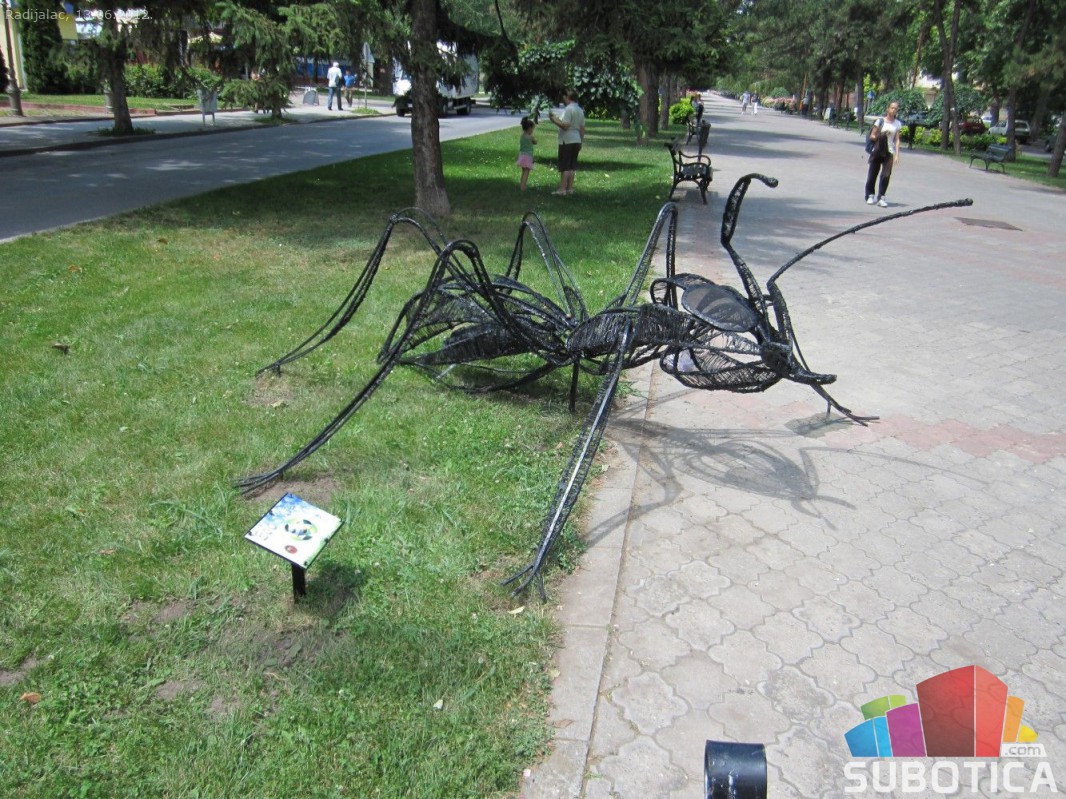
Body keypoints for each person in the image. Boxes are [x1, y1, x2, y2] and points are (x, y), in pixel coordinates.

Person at [864, 101, 903, 207]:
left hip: (889, 151)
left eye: (896, 108)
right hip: (877, 150)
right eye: (892, 108)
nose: (894, 110)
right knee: (873, 174)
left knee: (886, 175)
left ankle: (881, 197)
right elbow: (872, 136)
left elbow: (897, 140)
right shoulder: (880, 121)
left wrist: (897, 154)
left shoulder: (897, 123)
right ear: (888, 109)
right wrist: (881, 135)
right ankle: (870, 195)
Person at [548, 91, 585, 196]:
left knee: (565, 166)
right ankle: (570, 188)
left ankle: (562, 189)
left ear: (568, 97)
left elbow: (565, 126)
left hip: (567, 140)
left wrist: (553, 120)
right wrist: (581, 141)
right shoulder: (580, 110)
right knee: (572, 166)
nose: (563, 99)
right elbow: (582, 128)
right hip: (576, 139)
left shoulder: (569, 109)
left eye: (564, 97)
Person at [516, 116, 537, 191]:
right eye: (532, 129)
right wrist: (534, 139)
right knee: (526, 172)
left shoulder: (522, 136)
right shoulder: (530, 137)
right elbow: (535, 142)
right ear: (530, 128)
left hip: (522, 156)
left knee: (523, 171)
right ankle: (523, 187)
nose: (533, 131)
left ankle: (522, 184)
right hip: (528, 157)